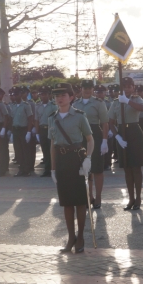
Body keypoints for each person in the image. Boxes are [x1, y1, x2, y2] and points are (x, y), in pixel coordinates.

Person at [49, 84, 94, 253]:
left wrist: (88, 159)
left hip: (77, 159)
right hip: (61, 160)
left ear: (71, 97)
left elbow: (90, 139)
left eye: (63, 95)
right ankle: (71, 237)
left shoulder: (80, 116)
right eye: (57, 96)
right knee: (67, 203)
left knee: (80, 202)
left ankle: (81, 236)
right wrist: (53, 168)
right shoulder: (52, 118)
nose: (59, 98)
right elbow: (52, 144)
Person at [109, 76, 143, 210]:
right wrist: (117, 136)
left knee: (136, 168)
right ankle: (130, 198)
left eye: (129, 86)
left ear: (133, 87)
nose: (127, 89)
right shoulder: (116, 102)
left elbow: (142, 108)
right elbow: (111, 122)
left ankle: (138, 198)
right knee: (127, 169)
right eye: (125, 87)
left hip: (135, 133)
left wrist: (128, 102)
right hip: (122, 134)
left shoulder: (136, 99)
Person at [79, 81, 109, 209]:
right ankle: (88, 196)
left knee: (97, 169)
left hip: (94, 134)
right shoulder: (75, 104)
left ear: (92, 89)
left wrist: (104, 141)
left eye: (89, 88)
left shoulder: (99, 103)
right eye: (85, 88)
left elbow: (105, 123)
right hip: (80, 136)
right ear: (81, 89)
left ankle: (98, 196)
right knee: (85, 169)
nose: (87, 90)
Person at [8, 87, 36, 176]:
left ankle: (26, 169)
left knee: (26, 151)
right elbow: (12, 119)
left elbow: (30, 118)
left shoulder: (26, 105)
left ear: (20, 95)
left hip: (24, 130)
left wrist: (28, 131)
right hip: (16, 130)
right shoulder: (12, 106)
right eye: (13, 95)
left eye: (16, 94)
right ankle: (21, 169)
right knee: (18, 151)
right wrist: (12, 132)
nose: (15, 96)